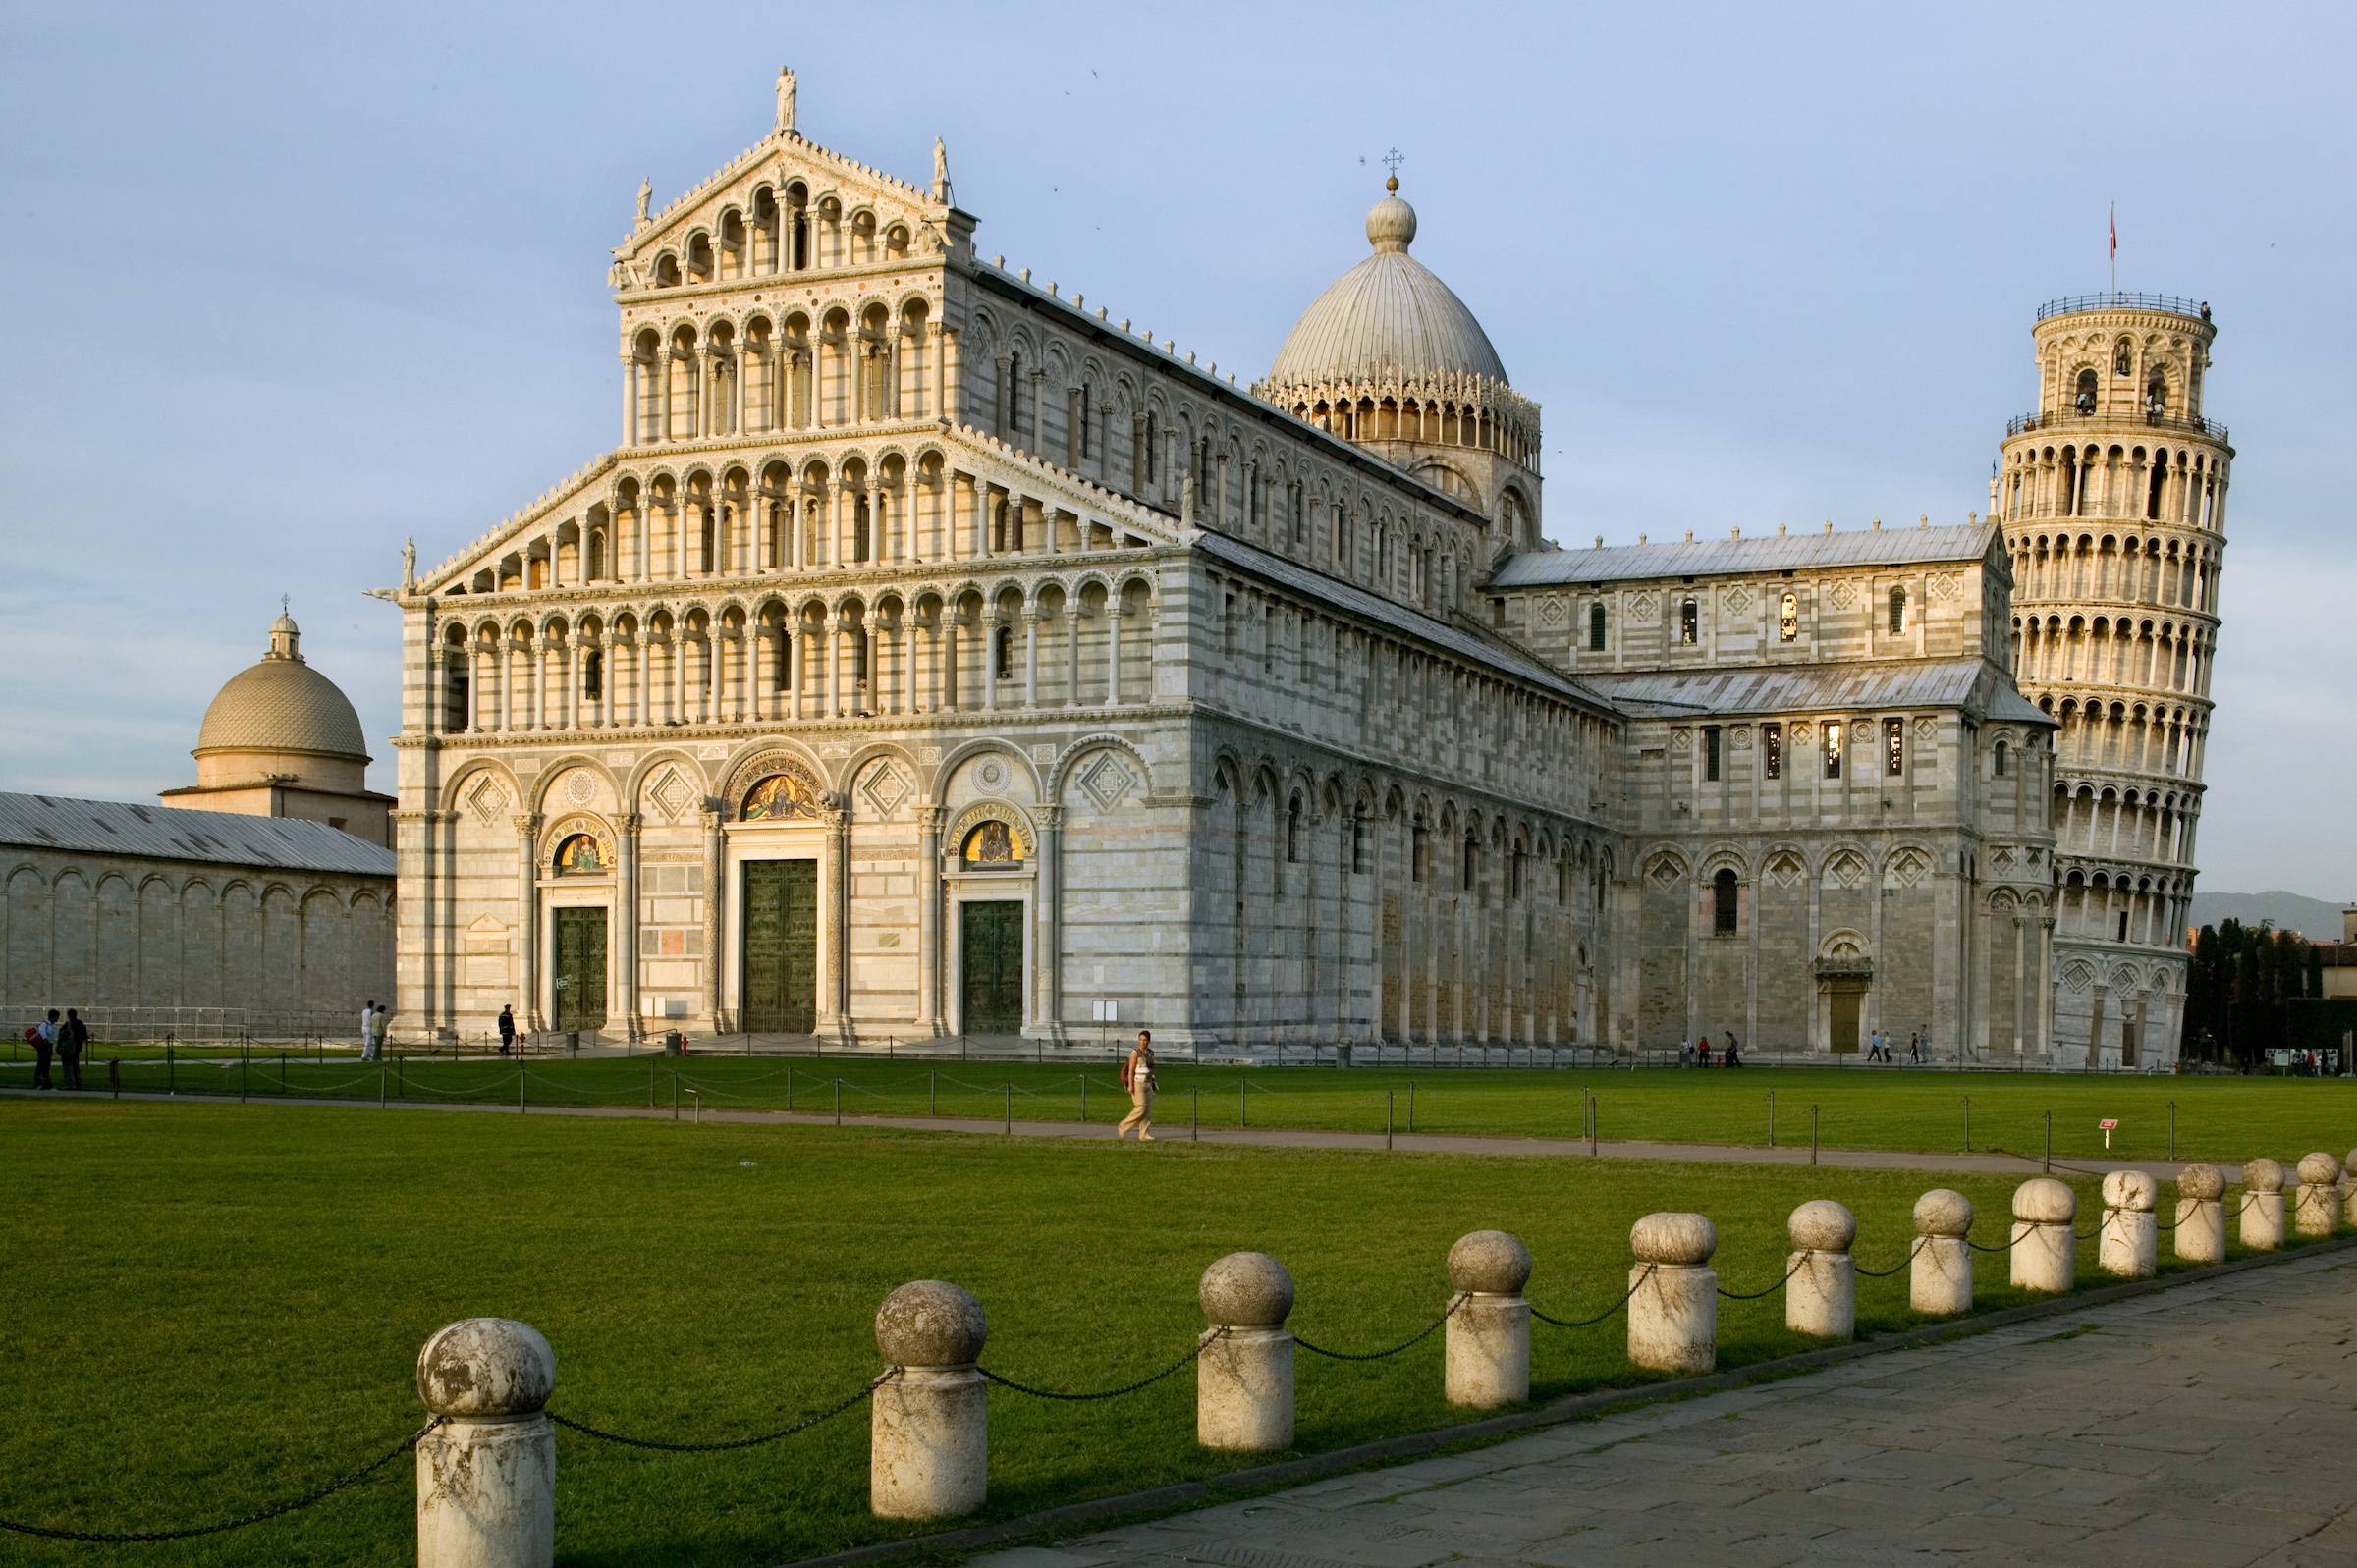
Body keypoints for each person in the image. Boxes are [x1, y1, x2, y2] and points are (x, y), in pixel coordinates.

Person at [1118, 1029, 1156, 1141]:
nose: (1142, 1042)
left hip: (1148, 1083)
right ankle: (1123, 1126)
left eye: (1145, 1040)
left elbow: (1152, 1068)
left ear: (1149, 1041)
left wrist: (1154, 1081)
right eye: (1141, 1040)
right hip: (1137, 1083)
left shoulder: (1150, 1052)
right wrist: (1130, 1085)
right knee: (1141, 1108)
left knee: (1147, 1110)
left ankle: (1144, 1134)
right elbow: (1130, 1070)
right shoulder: (1135, 1053)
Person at [58, 1008, 86, 1090]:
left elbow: (61, 1034)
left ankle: (70, 1084)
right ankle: (78, 1083)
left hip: (68, 1049)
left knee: (68, 1067)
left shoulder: (68, 1025)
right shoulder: (81, 1025)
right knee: (76, 1066)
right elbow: (84, 1037)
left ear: (68, 1016)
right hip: (77, 1049)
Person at [32, 1009, 57, 1090]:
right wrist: (48, 1047)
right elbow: (44, 1036)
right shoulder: (44, 1025)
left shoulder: (53, 1026)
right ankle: (38, 1082)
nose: (57, 1019)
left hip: (49, 1044)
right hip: (44, 1045)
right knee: (41, 1064)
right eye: (57, 1017)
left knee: (47, 1065)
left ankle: (46, 1083)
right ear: (53, 1017)